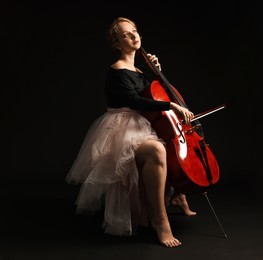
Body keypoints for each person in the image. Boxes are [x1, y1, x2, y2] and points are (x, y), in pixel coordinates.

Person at [66, 16, 197, 248]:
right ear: (117, 44)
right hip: (120, 129)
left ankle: (177, 196)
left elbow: (153, 94)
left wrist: (157, 72)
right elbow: (135, 101)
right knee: (157, 149)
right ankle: (160, 221)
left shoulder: (138, 70)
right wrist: (172, 106)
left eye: (135, 31)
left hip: (140, 124)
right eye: (126, 34)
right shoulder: (116, 71)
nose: (134, 36)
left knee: (169, 145)